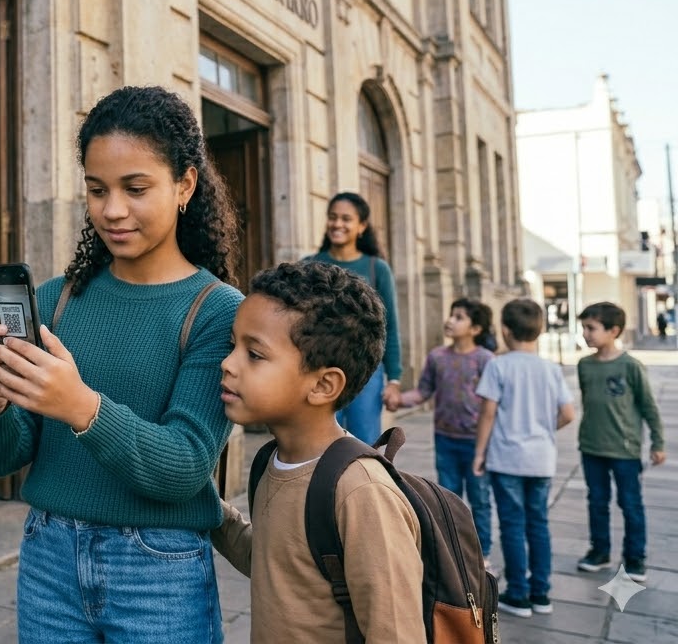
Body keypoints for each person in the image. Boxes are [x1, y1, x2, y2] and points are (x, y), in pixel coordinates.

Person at [0, 86, 244, 643]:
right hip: (49, 560)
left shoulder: (217, 312)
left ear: (185, 184)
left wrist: (81, 407)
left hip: (158, 573)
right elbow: (2, 460)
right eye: (97, 190)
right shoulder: (54, 302)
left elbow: (187, 466)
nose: (112, 210)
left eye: (135, 188)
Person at [211, 260, 425, 643]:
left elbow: (395, 632)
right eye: (232, 346)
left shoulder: (362, 492)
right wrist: (208, 507)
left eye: (254, 354)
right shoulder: (271, 461)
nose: (227, 364)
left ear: (324, 385)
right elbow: (272, 565)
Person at [471, 298, 575, 619]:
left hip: (507, 460)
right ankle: (541, 593)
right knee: (539, 525)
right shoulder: (550, 369)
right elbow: (568, 414)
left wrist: (479, 453)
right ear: (540, 330)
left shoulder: (499, 366)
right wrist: (545, 430)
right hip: (540, 459)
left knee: (513, 526)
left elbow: (488, 414)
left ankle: (518, 594)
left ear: (504, 330)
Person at [397, 298, 496, 563]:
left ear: (475, 329)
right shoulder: (437, 356)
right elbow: (422, 392)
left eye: (459, 317)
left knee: (480, 500)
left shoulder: (485, 360)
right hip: (445, 440)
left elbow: (494, 404)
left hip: (477, 443)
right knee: (447, 499)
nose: (450, 320)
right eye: (452, 314)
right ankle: (452, 552)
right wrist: (397, 399)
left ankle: (481, 554)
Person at [575, 302, 666, 582]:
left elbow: (649, 406)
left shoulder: (631, 366)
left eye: (591, 328)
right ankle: (600, 551)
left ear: (613, 330)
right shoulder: (584, 365)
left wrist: (657, 443)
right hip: (591, 448)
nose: (586, 334)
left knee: (630, 503)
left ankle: (635, 557)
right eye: (584, 328)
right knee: (597, 502)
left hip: (624, 450)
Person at [305, 192, 402, 443]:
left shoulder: (376, 268)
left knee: (363, 443)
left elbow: (389, 327)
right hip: (319, 369)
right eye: (333, 217)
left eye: (346, 219)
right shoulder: (309, 266)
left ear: (362, 226)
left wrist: (394, 380)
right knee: (319, 441)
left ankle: (360, 483)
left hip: (366, 371)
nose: (338, 224)